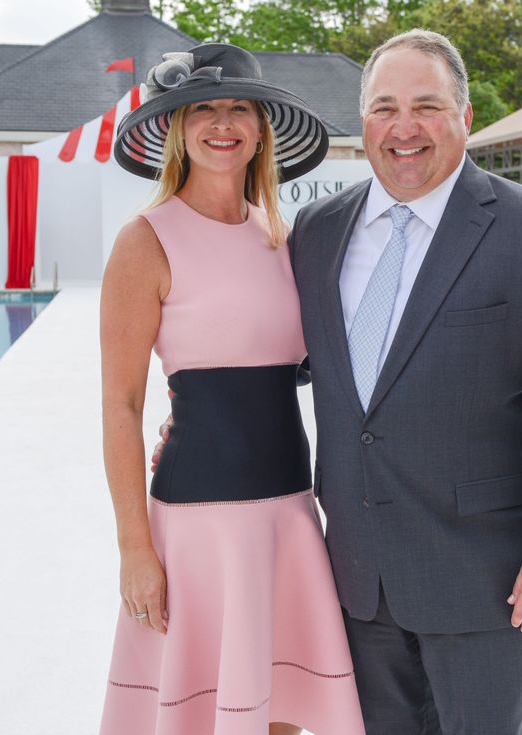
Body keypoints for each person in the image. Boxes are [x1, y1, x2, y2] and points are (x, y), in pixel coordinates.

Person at [287, 30, 522, 734]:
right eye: (384, 108)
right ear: (362, 123)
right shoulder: (316, 232)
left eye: (426, 106)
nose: (404, 128)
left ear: (465, 117)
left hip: (487, 581)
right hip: (358, 575)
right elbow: (294, 363)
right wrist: (196, 411)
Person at [99, 44, 364, 735]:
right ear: (177, 128)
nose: (223, 123)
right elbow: (121, 404)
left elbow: (310, 362)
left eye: (239, 108)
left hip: (288, 513)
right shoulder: (144, 239)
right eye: (203, 110)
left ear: (261, 128)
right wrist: (134, 547)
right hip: (197, 524)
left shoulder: (285, 238)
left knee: (283, 713)